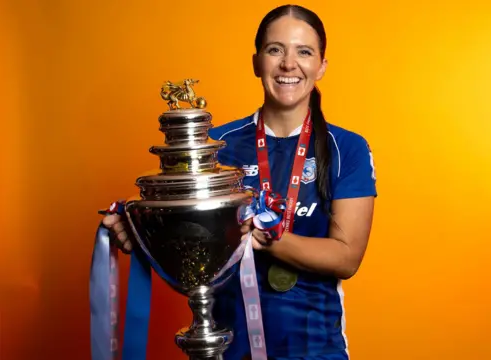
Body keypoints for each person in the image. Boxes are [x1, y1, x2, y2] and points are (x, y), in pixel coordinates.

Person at [103, 4, 377, 359]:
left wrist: (265, 237)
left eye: (304, 52)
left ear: (321, 66)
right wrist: (141, 230)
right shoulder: (214, 146)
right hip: (225, 346)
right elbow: (189, 233)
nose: (288, 64)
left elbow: (346, 257)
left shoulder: (347, 148)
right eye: (275, 49)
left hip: (317, 348)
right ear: (256, 62)